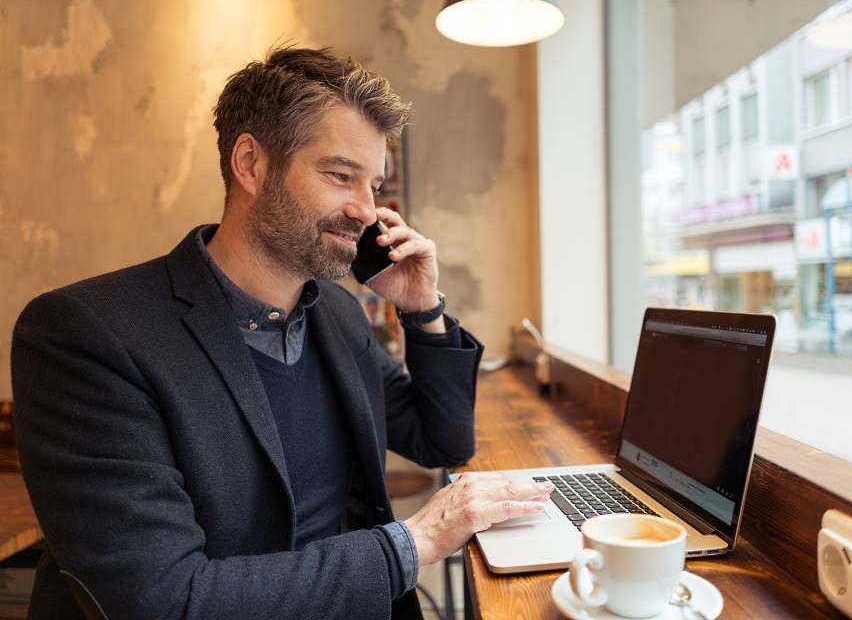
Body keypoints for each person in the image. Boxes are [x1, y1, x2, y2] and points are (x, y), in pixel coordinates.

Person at [11, 47, 553, 620]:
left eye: (374, 184)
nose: (368, 211)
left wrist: (422, 311)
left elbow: (441, 442)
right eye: (341, 175)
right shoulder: (86, 335)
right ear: (250, 163)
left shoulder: (337, 317)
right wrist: (410, 545)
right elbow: (163, 600)